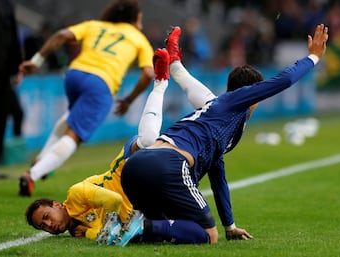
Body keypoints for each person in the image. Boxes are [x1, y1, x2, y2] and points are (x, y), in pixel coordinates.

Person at [120, 24, 329, 244]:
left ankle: (127, 227)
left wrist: (230, 226)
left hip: (135, 166)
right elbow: (284, 81)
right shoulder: (235, 103)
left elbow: (218, 178)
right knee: (208, 235)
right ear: (251, 95)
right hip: (168, 164)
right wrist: (313, 57)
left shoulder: (219, 121)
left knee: (159, 233)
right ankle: (139, 225)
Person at [25, 47, 216, 246]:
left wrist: (119, 227)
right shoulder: (78, 230)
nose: (48, 225)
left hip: (128, 167)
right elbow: (100, 233)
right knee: (203, 236)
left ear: (57, 205)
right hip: (144, 198)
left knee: (148, 140)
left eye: (47, 216)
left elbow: (113, 201)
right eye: (43, 226)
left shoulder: (75, 195)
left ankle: (160, 82)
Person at [18, 0, 155, 196]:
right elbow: (149, 74)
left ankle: (41, 160)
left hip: (74, 74)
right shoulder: (138, 38)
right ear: (134, 18)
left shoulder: (95, 25)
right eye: (140, 17)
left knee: (71, 118)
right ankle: (32, 174)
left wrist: (36, 61)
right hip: (101, 83)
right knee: (74, 136)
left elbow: (61, 35)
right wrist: (129, 100)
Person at [0, 0, 23, 179]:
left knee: (0, 118)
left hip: (3, 72)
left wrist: (16, 68)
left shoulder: (6, 4)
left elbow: (12, 35)